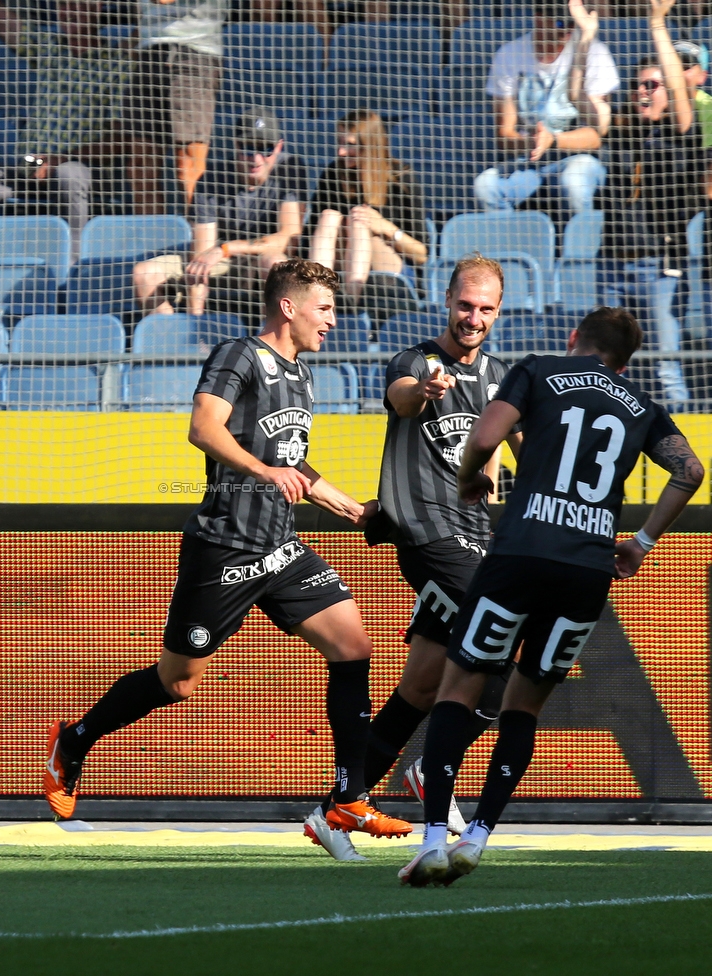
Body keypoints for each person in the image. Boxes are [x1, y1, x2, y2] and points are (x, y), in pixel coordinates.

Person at [44, 258, 412, 844]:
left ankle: (348, 798)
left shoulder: (302, 374)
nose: (333, 321)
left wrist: (352, 509)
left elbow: (292, 465)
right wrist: (263, 470)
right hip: (224, 548)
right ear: (288, 307)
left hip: (281, 548)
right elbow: (204, 428)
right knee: (178, 680)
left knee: (352, 645)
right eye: (324, 309)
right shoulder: (239, 354)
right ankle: (77, 739)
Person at [399, 305, 704, 887]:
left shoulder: (538, 370)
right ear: (625, 360)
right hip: (586, 570)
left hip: (519, 554)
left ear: (574, 339)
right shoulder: (642, 406)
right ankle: (480, 836)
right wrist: (640, 541)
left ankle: (435, 838)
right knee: (523, 706)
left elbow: (486, 436)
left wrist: (470, 481)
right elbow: (689, 470)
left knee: (459, 687)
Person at [303, 254, 521, 863]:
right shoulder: (418, 362)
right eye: (464, 305)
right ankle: (431, 767)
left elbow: (519, 450)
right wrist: (424, 391)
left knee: (422, 686)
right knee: (504, 639)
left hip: (477, 533)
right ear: (445, 301)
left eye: (485, 309)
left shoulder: (503, 377)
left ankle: (334, 809)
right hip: (428, 537)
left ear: (498, 311)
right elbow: (402, 397)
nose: (473, 317)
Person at [0, 0, 160, 260]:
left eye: (77, 5)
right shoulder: (49, 50)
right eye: (63, 6)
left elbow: (121, 141)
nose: (68, 12)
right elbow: (5, 21)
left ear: (97, 9)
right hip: (30, 165)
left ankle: (74, 264)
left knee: (69, 174)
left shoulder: (114, 63)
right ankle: (0, 254)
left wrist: (61, 159)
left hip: (82, 170)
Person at [601, 0, 710, 408]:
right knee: (603, 366)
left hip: (661, 268)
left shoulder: (683, 132)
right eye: (638, 85)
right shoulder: (624, 134)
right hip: (612, 265)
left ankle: (685, 441)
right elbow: (582, 99)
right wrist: (584, 38)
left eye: (653, 84)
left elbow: (680, 92)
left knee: (666, 365)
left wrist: (657, 24)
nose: (643, 91)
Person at [133, 111, 308, 317]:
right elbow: (201, 255)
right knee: (144, 274)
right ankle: (178, 342)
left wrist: (226, 248)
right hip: (218, 263)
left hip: (257, 260)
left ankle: (270, 345)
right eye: (249, 148)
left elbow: (289, 239)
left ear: (279, 147)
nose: (256, 158)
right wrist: (195, 321)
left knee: (275, 264)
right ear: (236, 145)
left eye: (265, 149)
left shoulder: (289, 170)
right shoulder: (212, 179)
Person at [474, 0, 618, 217]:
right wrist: (533, 142)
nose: (567, 31)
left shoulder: (594, 51)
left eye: (571, 24)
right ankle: (508, 247)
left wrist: (553, 140)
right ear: (539, 18)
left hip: (578, 157)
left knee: (574, 182)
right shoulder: (510, 54)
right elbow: (504, 135)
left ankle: (579, 251)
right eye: (560, 23)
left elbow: (597, 135)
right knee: (486, 186)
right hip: (528, 159)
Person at [307, 109, 428, 305]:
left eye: (350, 145)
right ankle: (318, 300)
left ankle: (351, 303)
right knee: (329, 216)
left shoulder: (401, 179)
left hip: (390, 270)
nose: (341, 152)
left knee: (359, 222)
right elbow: (308, 237)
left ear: (369, 145)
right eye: (339, 143)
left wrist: (385, 228)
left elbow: (422, 254)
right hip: (339, 265)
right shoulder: (332, 175)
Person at [124, 1, 226, 209]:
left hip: (193, 53)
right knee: (141, 165)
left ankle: (199, 236)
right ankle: (148, 237)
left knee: (187, 163)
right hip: (148, 52)